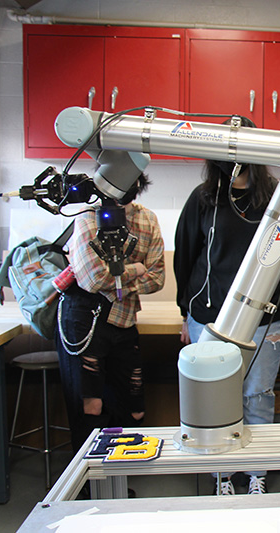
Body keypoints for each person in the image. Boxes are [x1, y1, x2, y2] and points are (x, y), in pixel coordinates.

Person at [174, 141, 280, 496]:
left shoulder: (277, 198)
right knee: (217, 399)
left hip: (267, 319)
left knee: (257, 395)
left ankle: (256, 473)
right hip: (210, 317)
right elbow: (185, 255)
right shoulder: (203, 199)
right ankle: (223, 474)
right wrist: (184, 311)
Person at [56, 174, 165, 453]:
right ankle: (91, 486)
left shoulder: (147, 219)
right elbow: (91, 280)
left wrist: (113, 280)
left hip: (124, 320)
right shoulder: (88, 218)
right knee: (90, 406)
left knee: (133, 407)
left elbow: (158, 278)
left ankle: (121, 475)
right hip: (84, 320)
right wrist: (136, 269)